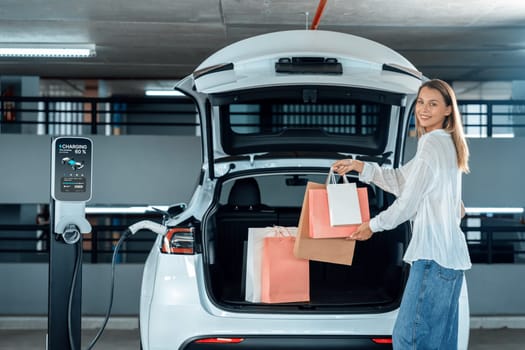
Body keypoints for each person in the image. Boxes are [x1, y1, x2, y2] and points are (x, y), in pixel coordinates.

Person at [332, 79, 471, 349]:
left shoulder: (432, 143)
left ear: (447, 111)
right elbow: (401, 180)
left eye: (433, 104)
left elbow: (408, 201)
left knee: (410, 340)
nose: (424, 109)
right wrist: (360, 166)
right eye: (420, 102)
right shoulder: (448, 144)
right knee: (440, 344)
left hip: (432, 259)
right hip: (450, 264)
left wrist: (373, 225)